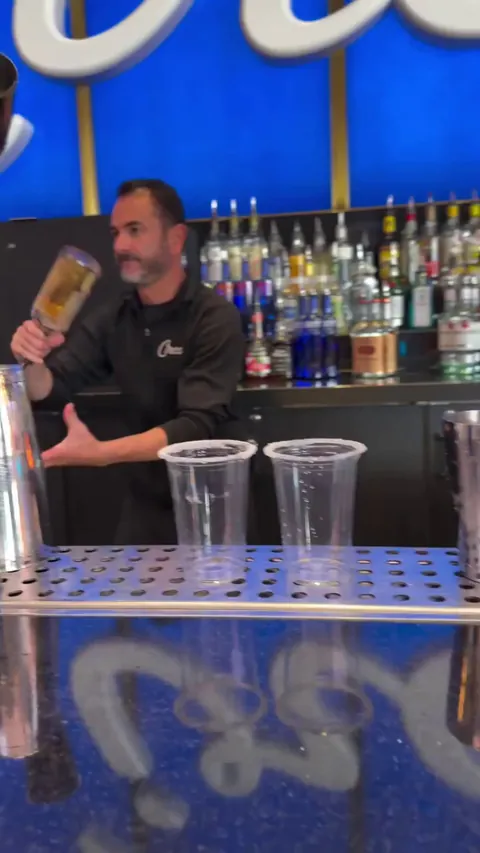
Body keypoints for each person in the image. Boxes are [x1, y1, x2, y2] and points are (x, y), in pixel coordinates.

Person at [11, 179, 245, 544]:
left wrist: (102, 453)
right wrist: (32, 359)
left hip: (212, 505)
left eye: (135, 230)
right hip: (143, 509)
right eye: (116, 233)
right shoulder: (116, 317)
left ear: (176, 238)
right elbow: (52, 389)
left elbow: (196, 427)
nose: (120, 245)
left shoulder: (214, 317)